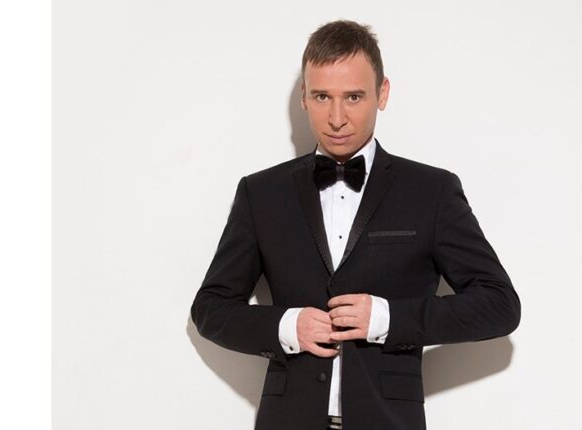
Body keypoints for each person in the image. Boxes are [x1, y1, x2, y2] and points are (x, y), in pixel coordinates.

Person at [190, 19, 520, 430]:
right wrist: (287, 326)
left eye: (354, 97)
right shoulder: (261, 193)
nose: (337, 117)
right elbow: (210, 308)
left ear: (382, 94)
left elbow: (499, 305)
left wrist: (386, 318)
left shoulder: (431, 191)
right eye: (322, 96)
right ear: (304, 97)